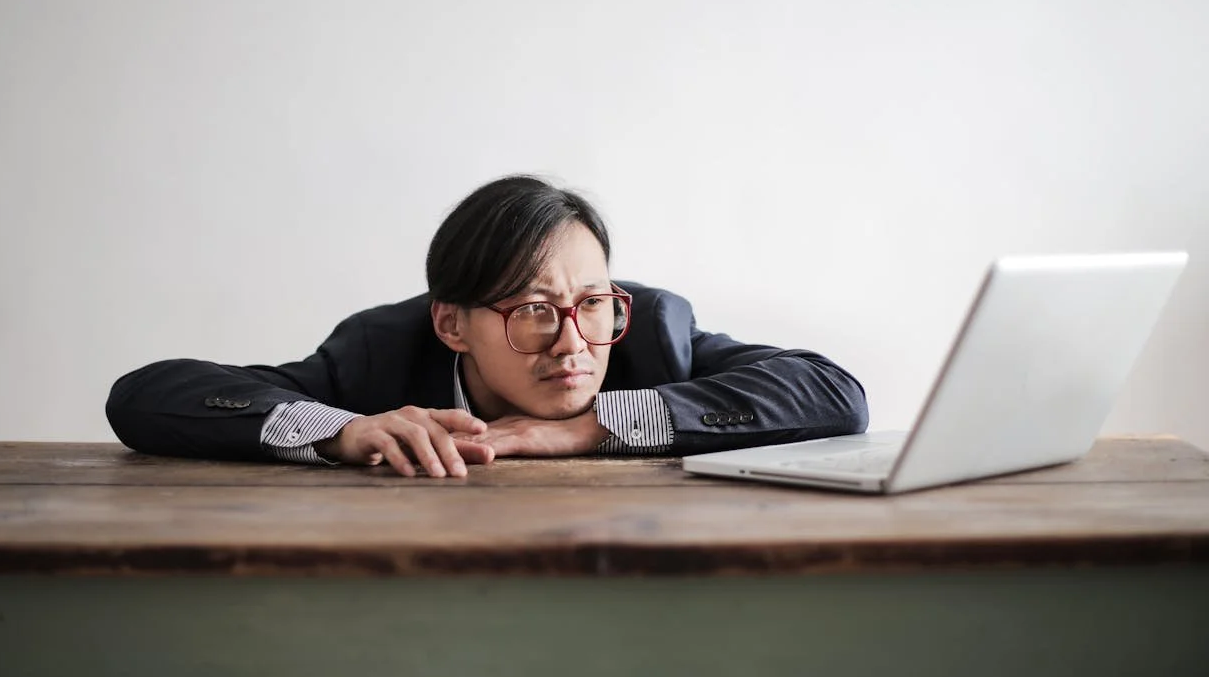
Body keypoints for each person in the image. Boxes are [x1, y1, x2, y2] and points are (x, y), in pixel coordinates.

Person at [107, 175, 867, 477]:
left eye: (593, 302)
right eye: (534, 310)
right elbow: (143, 396)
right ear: (451, 323)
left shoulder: (652, 331)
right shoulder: (380, 352)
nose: (574, 341)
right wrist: (343, 430)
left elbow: (834, 392)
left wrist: (590, 427)